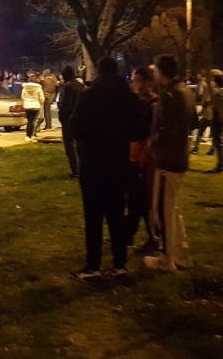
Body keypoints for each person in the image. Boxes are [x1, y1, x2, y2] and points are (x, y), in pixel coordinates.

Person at [69, 57, 143, 282]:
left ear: (99, 72)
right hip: (119, 162)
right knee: (117, 214)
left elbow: (75, 128)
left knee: (93, 217)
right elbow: (139, 130)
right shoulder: (128, 97)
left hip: (93, 162)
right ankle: (120, 265)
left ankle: (93, 266)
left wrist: (90, 138)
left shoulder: (88, 96)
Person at [144, 54, 198, 272]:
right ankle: (181, 254)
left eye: (156, 70)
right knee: (173, 208)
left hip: (168, 159)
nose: (154, 74)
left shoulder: (169, 95)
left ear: (161, 71)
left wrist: (153, 142)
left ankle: (166, 259)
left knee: (162, 210)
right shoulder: (186, 91)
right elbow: (193, 122)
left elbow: (168, 129)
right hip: (180, 156)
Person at [125, 66, 156, 252]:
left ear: (147, 82)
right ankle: (131, 235)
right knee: (136, 198)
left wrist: (144, 153)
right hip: (132, 153)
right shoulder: (134, 101)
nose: (134, 84)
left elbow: (153, 132)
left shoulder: (154, 104)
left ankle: (151, 236)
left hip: (145, 156)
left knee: (141, 199)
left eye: (137, 80)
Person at [58, 65, 85, 177]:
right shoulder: (80, 86)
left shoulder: (67, 86)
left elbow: (65, 104)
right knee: (79, 145)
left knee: (70, 145)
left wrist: (62, 116)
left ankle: (75, 170)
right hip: (80, 118)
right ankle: (82, 168)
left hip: (69, 119)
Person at [191, 70, 211, 155]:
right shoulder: (208, 85)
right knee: (205, 127)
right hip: (208, 112)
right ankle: (198, 146)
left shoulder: (204, 84)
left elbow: (202, 95)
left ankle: (196, 146)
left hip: (206, 111)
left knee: (200, 126)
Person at [20, 73, 45, 142]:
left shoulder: (25, 88)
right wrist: (40, 102)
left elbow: (22, 97)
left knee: (29, 121)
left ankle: (28, 135)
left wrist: (26, 102)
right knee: (33, 121)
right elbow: (41, 97)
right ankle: (30, 135)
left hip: (27, 105)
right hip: (35, 105)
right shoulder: (38, 88)